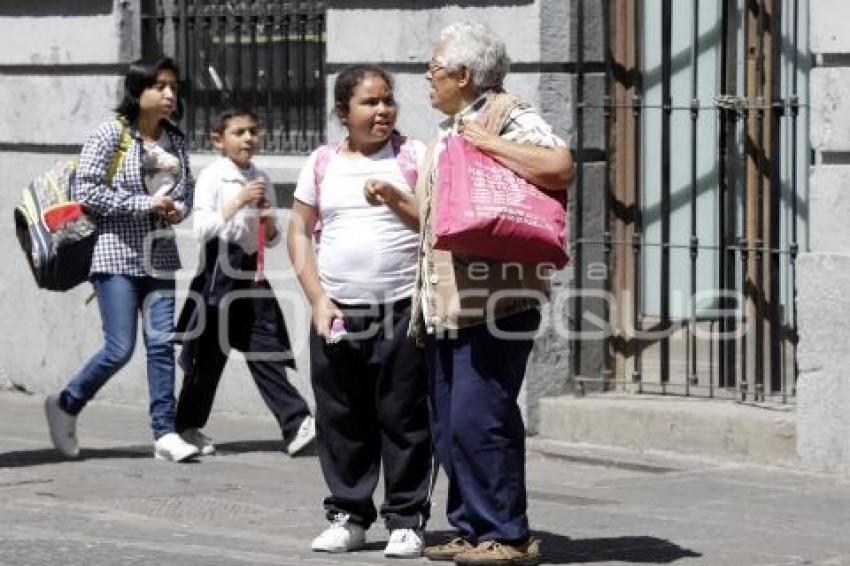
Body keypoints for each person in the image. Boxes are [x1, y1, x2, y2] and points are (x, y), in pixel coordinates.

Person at [414, 22, 574, 566]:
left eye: (433, 70)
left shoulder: (507, 112)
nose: (426, 80)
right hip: (447, 303)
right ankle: (472, 527)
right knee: (449, 424)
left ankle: (507, 534)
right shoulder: (450, 126)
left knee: (481, 420)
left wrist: (489, 142)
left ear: (462, 74)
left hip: (496, 303)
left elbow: (559, 165)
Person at [286, 64, 433, 559]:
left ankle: (407, 519)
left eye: (388, 100)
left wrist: (394, 197)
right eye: (370, 102)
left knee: (404, 416)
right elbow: (300, 231)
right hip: (338, 313)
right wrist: (317, 298)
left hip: (402, 309)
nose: (383, 110)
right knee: (341, 416)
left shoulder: (414, 157)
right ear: (342, 112)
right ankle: (348, 515)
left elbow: (434, 223)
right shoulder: (322, 162)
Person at [44, 57, 200, 462]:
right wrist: (146, 202)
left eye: (173, 87)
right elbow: (88, 191)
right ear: (138, 91)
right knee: (120, 347)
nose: (169, 94)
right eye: (160, 86)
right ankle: (66, 403)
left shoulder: (176, 140)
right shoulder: (110, 135)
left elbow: (187, 192)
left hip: (160, 255)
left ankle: (165, 433)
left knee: (162, 344)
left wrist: (177, 208)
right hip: (115, 253)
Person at [173, 105, 315, 458]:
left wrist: (266, 215)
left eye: (253, 130)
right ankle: (184, 428)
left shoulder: (260, 176)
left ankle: (297, 423)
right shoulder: (213, 177)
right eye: (239, 132)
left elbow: (270, 239)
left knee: (266, 348)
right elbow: (201, 228)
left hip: (251, 274)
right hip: (219, 272)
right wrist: (238, 200)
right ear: (218, 140)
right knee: (207, 357)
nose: (249, 138)